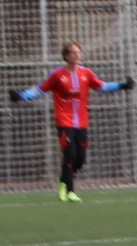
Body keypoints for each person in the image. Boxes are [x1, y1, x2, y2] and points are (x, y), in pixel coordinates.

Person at [13, 42, 130, 201]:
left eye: (78, 52)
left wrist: (122, 86)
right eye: (73, 52)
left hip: (81, 122)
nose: (77, 55)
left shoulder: (86, 73)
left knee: (81, 158)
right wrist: (21, 96)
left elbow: (102, 86)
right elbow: (40, 89)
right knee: (70, 153)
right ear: (66, 56)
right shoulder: (57, 75)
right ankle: (70, 191)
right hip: (64, 121)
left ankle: (63, 178)